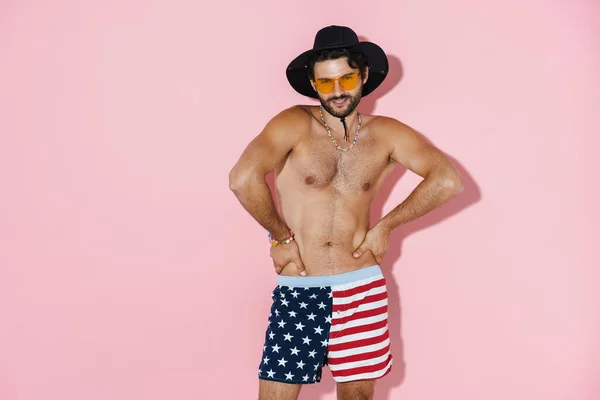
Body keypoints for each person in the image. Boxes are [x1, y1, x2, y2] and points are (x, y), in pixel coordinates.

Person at [229, 25, 464, 400]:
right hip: (301, 288)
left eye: (346, 78)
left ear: (364, 75)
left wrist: (387, 226)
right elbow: (243, 178)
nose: (337, 91)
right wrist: (281, 236)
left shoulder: (386, 133)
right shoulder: (293, 123)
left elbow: (447, 181)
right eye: (326, 83)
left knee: (357, 398)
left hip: (362, 288)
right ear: (313, 83)